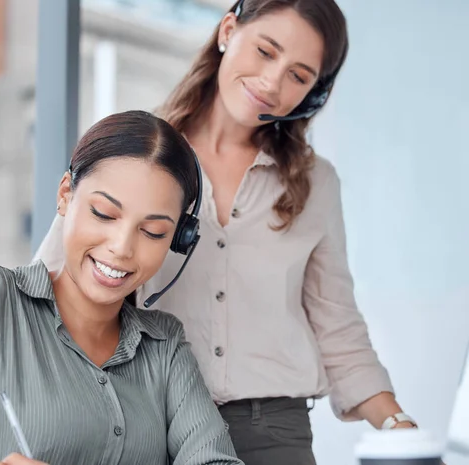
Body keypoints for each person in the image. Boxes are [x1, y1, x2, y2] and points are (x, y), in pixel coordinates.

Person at [0, 110, 243, 465]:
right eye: (104, 214)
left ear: (177, 238)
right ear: (66, 195)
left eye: (153, 232)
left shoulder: (164, 347)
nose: (122, 248)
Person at [138, 1, 419, 464]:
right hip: (149, 424)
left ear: (312, 94)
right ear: (228, 30)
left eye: (298, 76)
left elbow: (338, 329)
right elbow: (60, 284)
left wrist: (400, 428)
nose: (272, 83)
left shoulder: (316, 184)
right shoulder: (137, 153)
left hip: (273, 435)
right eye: (266, 51)